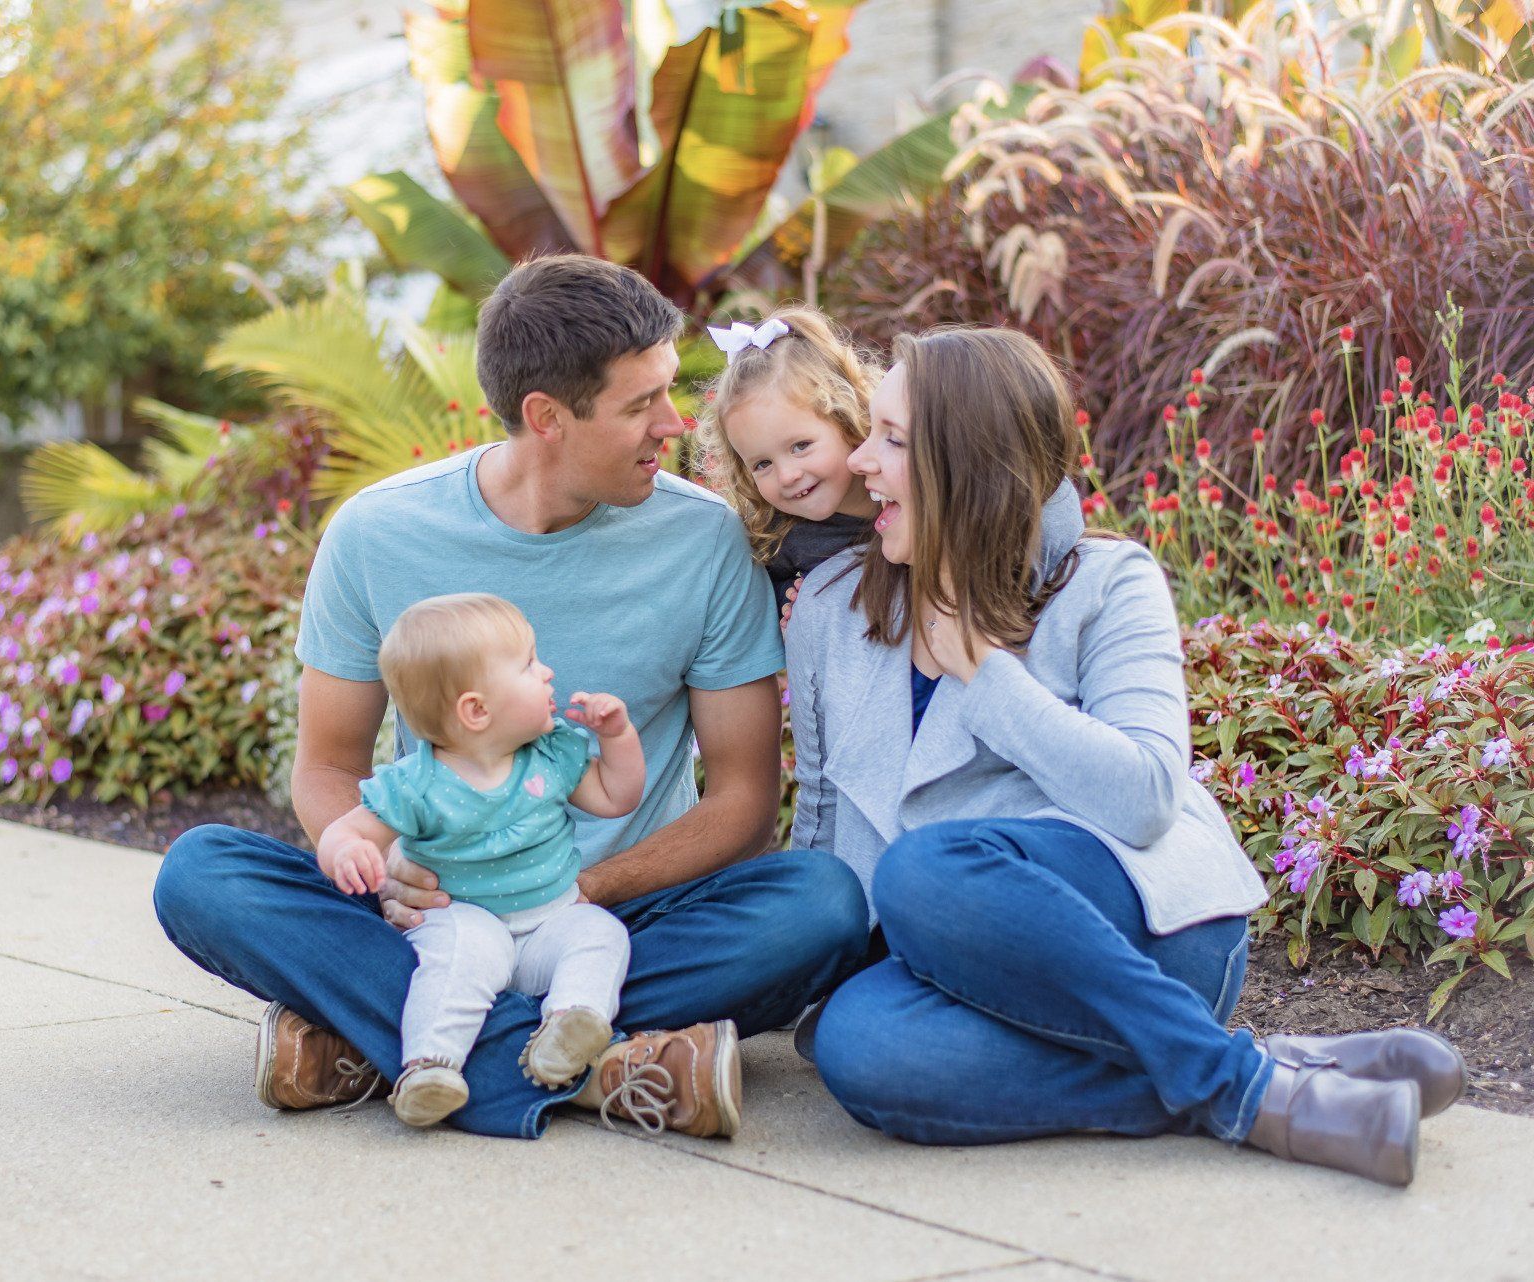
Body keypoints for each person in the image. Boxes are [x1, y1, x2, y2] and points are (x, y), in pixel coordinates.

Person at [154, 254, 869, 1140]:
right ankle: (596, 1071)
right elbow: (329, 768)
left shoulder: (704, 539)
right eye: (639, 403)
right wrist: (381, 873)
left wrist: (579, 893)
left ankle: (404, 1047)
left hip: (619, 910)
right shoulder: (377, 534)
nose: (674, 423)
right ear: (547, 418)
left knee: (823, 906)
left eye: (668, 391)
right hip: (439, 912)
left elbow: (743, 801)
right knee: (203, 874)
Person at [787, 325, 1465, 1187]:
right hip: (967, 962)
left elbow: (1146, 796)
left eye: (891, 440)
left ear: (966, 462)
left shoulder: (1109, 580)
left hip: (1150, 931)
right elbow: (821, 816)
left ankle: (1248, 1093)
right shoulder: (832, 610)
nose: (857, 465)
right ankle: (1263, 1072)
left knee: (925, 870)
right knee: (861, 1046)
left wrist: (987, 674)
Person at [315, 594, 640, 1128]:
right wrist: (348, 849)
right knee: (457, 959)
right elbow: (349, 830)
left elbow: (614, 796)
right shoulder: (417, 784)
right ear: (477, 710)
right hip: (464, 921)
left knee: (601, 933)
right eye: (530, 665)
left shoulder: (552, 754)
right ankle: (431, 1066)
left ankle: (569, 1026)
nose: (548, 671)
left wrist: (618, 738)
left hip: (551, 922)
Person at [696, 308, 879, 620]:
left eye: (800, 446)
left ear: (847, 418)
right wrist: (787, 601)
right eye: (763, 464)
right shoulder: (782, 539)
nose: (788, 476)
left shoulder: (907, 490)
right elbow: (765, 597)